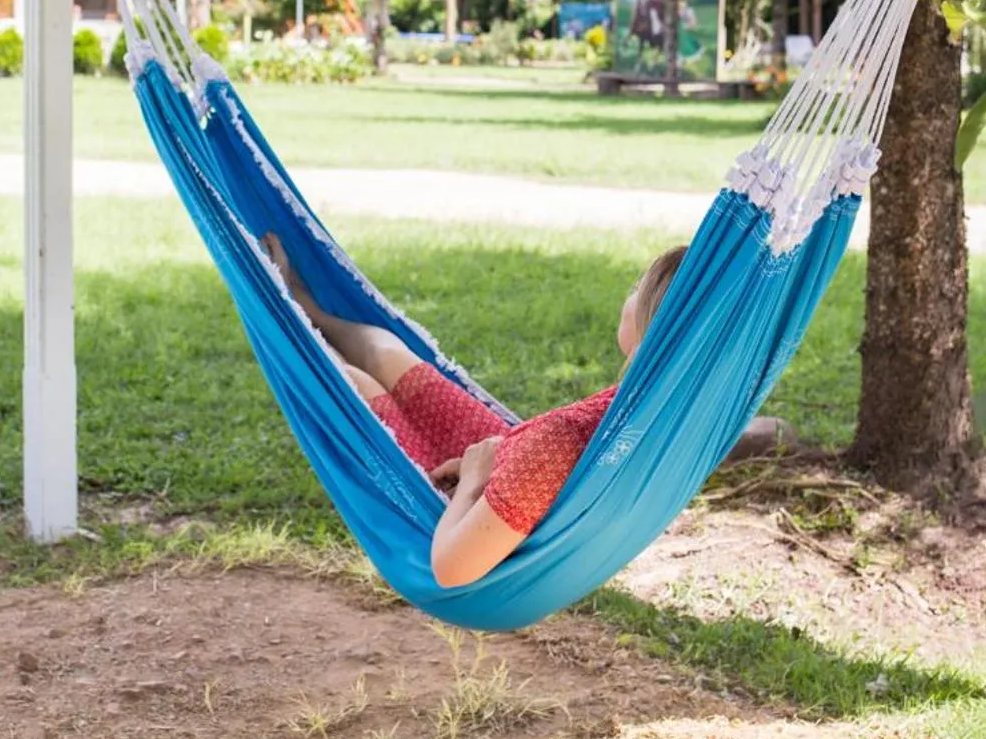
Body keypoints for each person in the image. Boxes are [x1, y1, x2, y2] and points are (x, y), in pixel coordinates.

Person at [261, 236, 790, 588]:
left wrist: (474, 479)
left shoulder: (557, 444)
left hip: (473, 500)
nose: (625, 296)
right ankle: (311, 311)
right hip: (509, 458)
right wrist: (496, 459)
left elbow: (450, 568)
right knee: (395, 358)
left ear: (655, 323)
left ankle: (285, 317)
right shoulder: (668, 398)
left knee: (345, 385)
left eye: (636, 288)